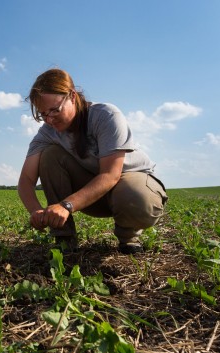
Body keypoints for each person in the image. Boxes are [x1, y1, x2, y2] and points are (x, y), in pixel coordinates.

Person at [18, 69, 168, 254]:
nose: (49, 119)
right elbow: (26, 179)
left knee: (137, 198)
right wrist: (35, 211)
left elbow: (110, 175)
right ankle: (64, 239)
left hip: (127, 184)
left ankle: (128, 237)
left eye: (55, 110)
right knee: (49, 155)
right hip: (93, 196)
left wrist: (66, 205)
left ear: (72, 96)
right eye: (42, 114)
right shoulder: (47, 133)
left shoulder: (105, 115)